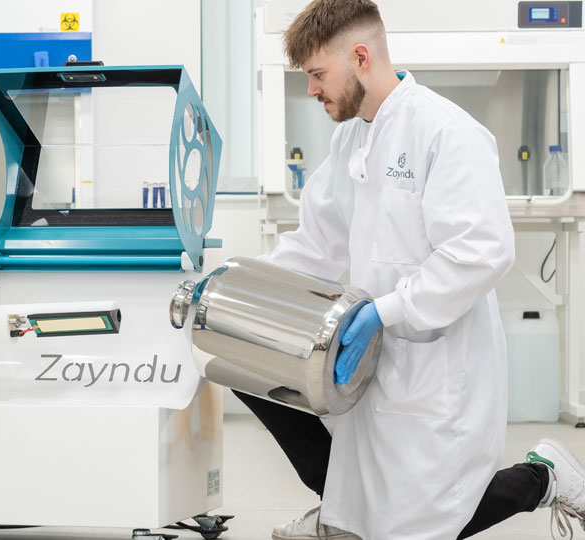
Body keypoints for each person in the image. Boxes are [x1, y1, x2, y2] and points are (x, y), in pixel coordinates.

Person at [238, 1, 585, 538]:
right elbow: (317, 243)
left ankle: (542, 478)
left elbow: (481, 251)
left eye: (316, 74)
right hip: (375, 365)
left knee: (427, 514)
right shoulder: (352, 137)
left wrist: (386, 310)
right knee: (363, 499)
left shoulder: (445, 132)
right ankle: (335, 515)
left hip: (437, 370)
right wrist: (245, 290)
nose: (311, 90)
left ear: (360, 56)